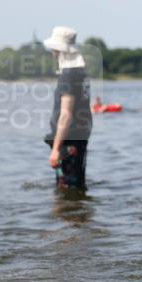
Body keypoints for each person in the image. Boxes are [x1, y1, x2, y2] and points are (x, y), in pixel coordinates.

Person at [43, 26, 92, 190]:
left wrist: (56, 149)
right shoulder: (80, 72)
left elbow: (66, 114)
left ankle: (72, 215)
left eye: (53, 49)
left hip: (68, 140)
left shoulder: (68, 75)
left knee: (66, 191)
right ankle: (79, 213)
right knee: (76, 188)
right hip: (79, 137)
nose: (52, 52)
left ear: (58, 50)